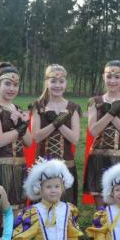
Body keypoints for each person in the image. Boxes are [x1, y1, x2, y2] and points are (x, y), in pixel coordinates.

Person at [83, 60, 120, 207]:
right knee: (101, 209)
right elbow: (94, 130)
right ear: (103, 77)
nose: (112, 81)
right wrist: (111, 112)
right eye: (109, 76)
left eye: (117, 77)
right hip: (98, 157)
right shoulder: (94, 101)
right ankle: (102, 230)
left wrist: (112, 115)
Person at [0, 62, 32, 216]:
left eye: (15, 85)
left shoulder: (17, 108)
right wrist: (20, 129)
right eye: (7, 84)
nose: (12, 88)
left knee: (18, 209)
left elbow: (29, 142)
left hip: (20, 166)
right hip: (1, 166)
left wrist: (23, 123)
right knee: (0, 211)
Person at [29, 64, 81, 205]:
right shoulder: (38, 106)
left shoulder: (73, 108)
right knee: (42, 207)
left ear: (66, 83)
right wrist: (53, 123)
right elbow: (37, 136)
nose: (57, 85)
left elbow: (75, 139)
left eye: (61, 81)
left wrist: (58, 122)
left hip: (66, 164)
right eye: (53, 81)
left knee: (65, 205)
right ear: (46, 82)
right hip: (43, 166)